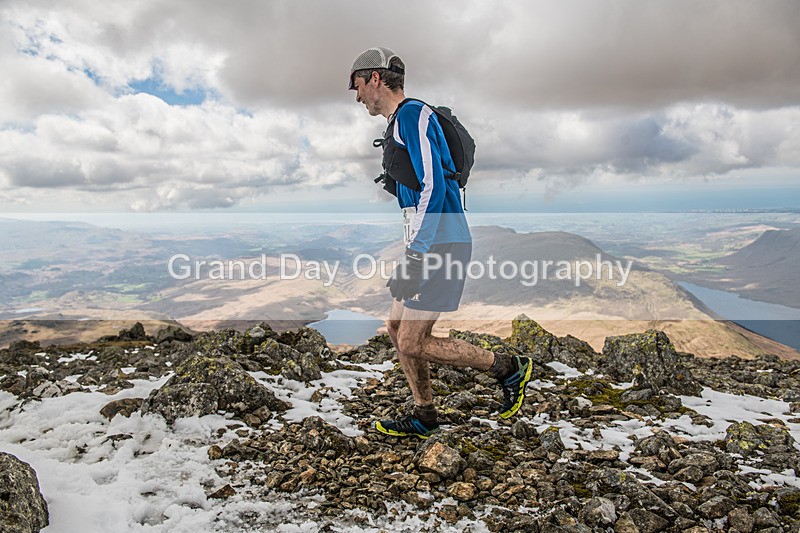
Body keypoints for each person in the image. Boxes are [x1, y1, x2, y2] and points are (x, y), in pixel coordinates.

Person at [348, 47, 533, 439]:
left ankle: (508, 367)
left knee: (414, 340)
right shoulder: (401, 121)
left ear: (375, 79)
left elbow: (432, 184)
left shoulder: (413, 114)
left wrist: (416, 255)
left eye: (357, 85)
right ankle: (424, 414)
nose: (357, 95)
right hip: (425, 242)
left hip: (439, 244)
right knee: (398, 328)